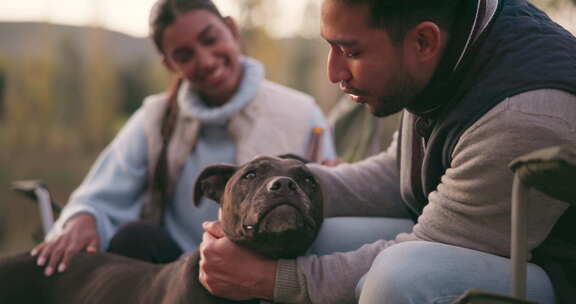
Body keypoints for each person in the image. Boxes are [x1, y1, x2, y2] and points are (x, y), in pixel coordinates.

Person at [198, 0, 576, 303]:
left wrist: (269, 281)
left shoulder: (522, 114)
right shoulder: (449, 48)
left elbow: (435, 245)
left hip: (556, 274)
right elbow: (398, 174)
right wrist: (271, 193)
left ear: (423, 42)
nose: (334, 72)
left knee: (400, 277)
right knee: (323, 234)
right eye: (331, 46)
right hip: (487, 245)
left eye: (350, 50)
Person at [30, 0, 335, 278]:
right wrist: (84, 217)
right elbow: (102, 193)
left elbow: (328, 196)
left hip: (268, 270)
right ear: (169, 65)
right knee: (135, 237)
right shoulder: (155, 118)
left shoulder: (301, 113)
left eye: (210, 39)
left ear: (231, 29)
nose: (204, 60)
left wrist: (336, 176)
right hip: (175, 272)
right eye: (184, 55)